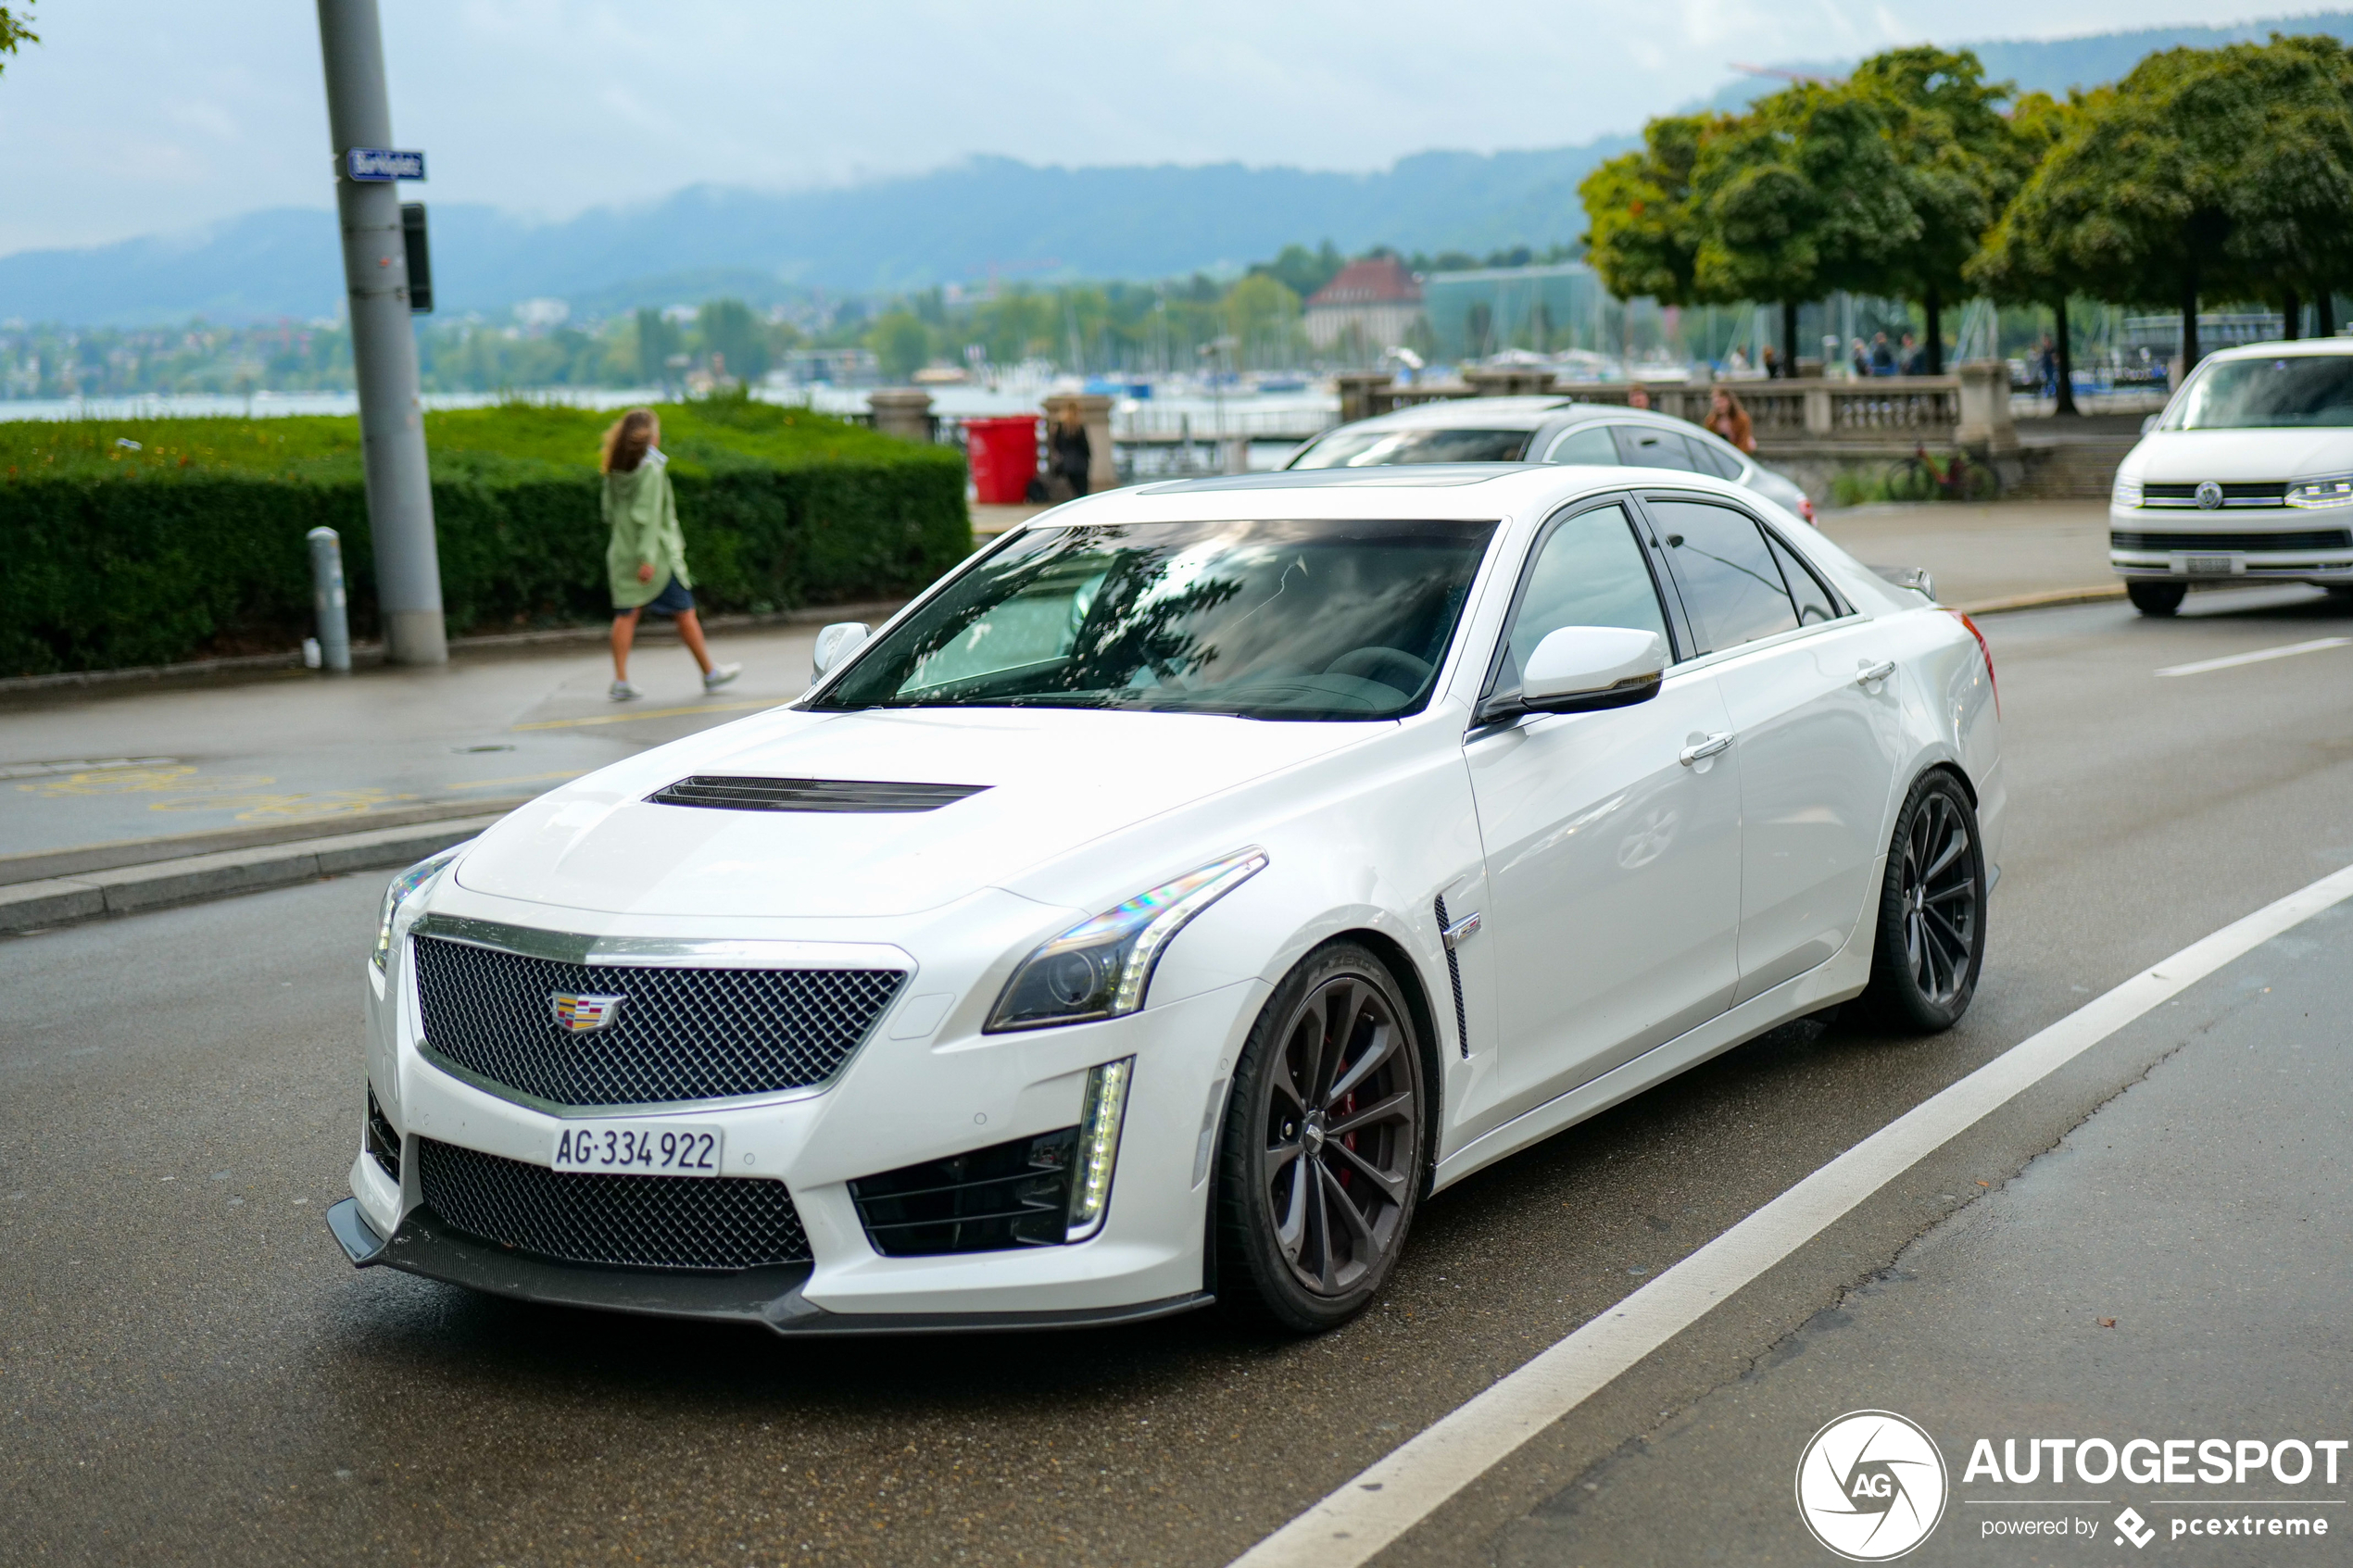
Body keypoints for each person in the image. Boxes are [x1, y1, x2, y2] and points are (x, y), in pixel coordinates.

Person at [601, 408, 739, 703]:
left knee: (626, 613)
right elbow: (649, 517)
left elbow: (608, 512)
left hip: (621, 553)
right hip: (654, 558)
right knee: (685, 611)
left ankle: (620, 680)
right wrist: (648, 558)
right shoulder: (651, 469)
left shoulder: (615, 468)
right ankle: (709, 673)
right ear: (651, 437)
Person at [1049, 403, 1091, 499]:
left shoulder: (1060, 426)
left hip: (1067, 463)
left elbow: (1056, 445)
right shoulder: (1079, 426)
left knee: (1072, 490)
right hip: (1080, 463)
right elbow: (1085, 445)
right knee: (1082, 492)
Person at [1704, 386, 1755, 454]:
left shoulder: (1742, 419)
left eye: (1722, 401)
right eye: (1717, 402)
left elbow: (1744, 443)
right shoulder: (1711, 421)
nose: (1719, 405)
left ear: (1729, 401)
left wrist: (1731, 433)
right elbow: (1709, 443)